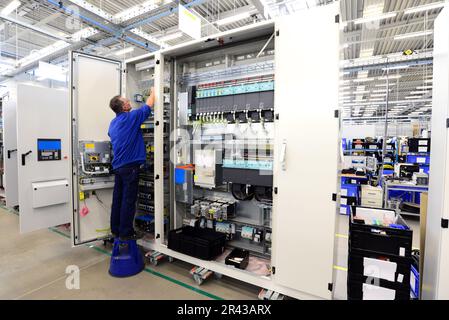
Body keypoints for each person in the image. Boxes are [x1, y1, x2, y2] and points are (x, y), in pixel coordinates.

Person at [108, 88, 156, 241]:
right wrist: (154, 91)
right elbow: (148, 105)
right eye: (126, 101)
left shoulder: (113, 123)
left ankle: (116, 229)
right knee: (128, 201)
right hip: (130, 167)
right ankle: (126, 232)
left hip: (118, 167)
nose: (129, 102)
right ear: (123, 107)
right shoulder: (131, 117)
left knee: (118, 199)